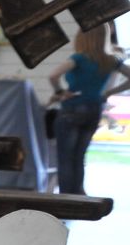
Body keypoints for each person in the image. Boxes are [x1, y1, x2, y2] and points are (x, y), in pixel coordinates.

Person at [45, 27, 125, 196]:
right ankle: (78, 193)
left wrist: (59, 92)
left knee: (65, 157)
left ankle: (66, 197)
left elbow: (53, 75)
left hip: (72, 108)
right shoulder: (110, 60)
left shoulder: (79, 58)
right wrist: (108, 93)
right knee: (79, 156)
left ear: (83, 38)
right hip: (94, 109)